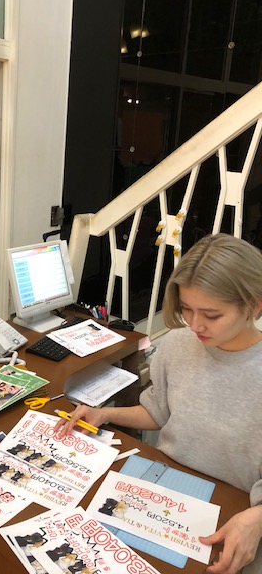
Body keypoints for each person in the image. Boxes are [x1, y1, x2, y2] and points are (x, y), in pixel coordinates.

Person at [56, 233, 262, 574]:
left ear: (254, 305)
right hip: (165, 489)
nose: (195, 325)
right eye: (186, 309)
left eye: (211, 315)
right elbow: (158, 411)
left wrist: (257, 517)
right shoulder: (179, 344)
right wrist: (102, 413)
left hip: (236, 511)